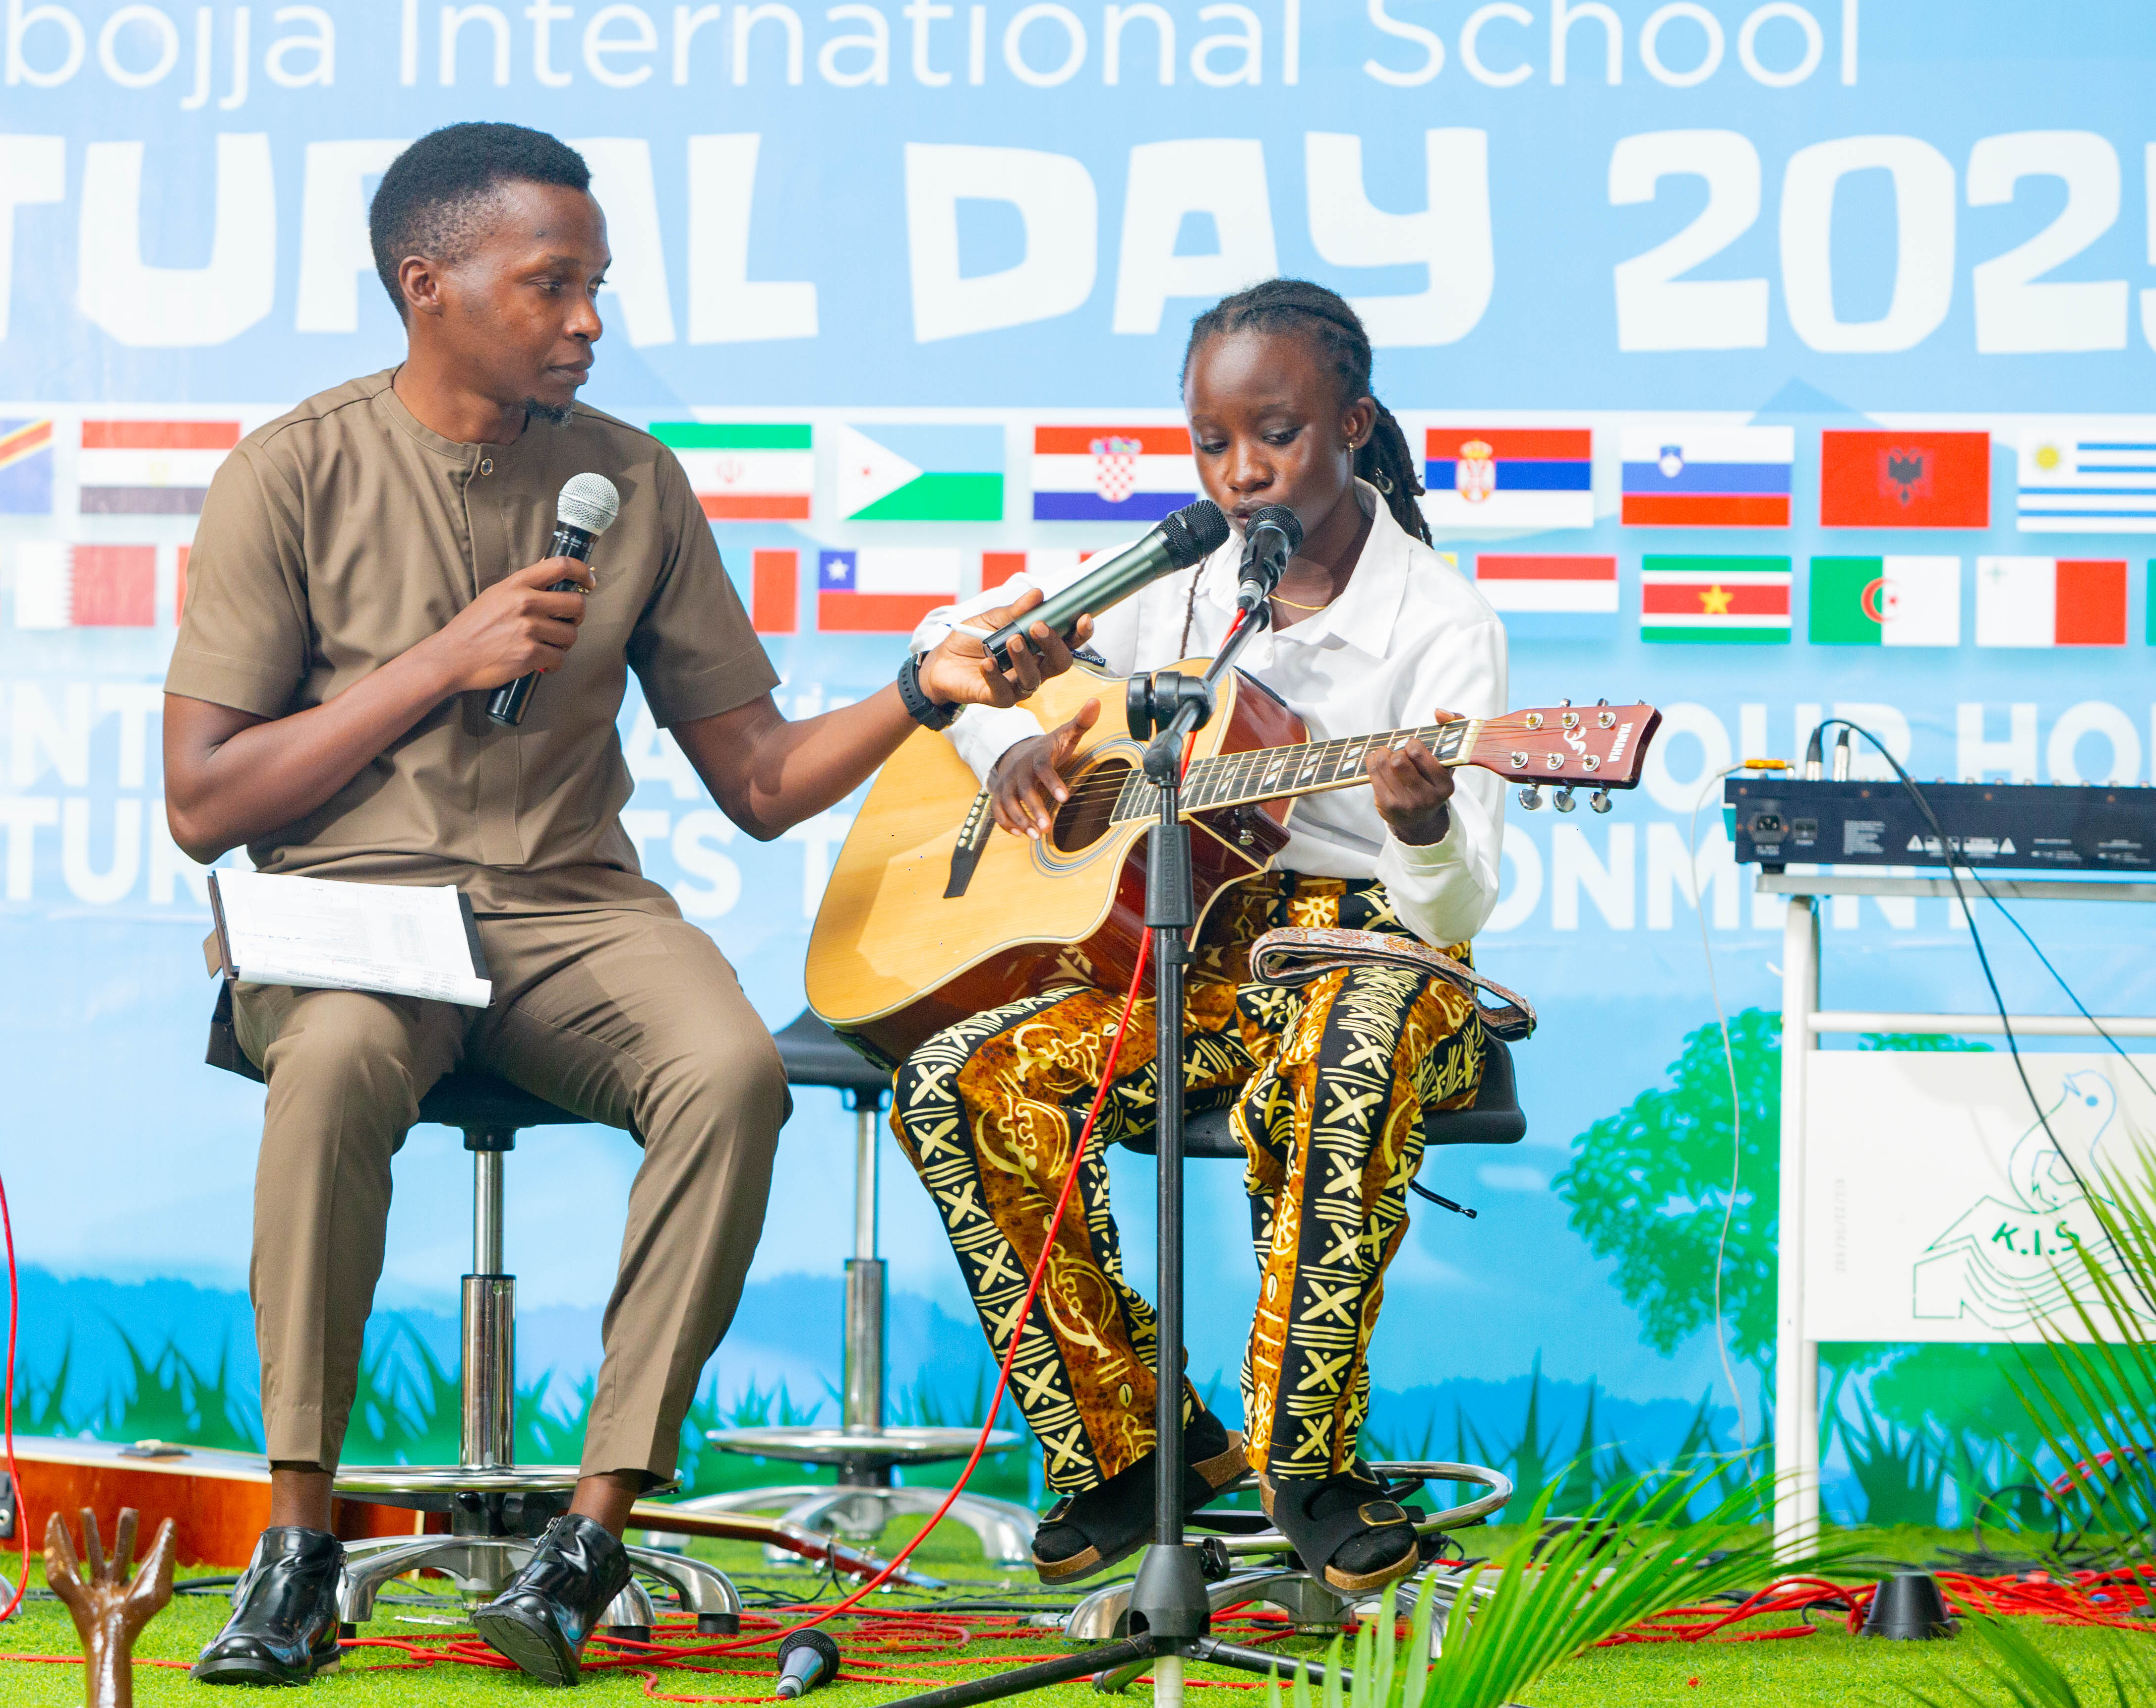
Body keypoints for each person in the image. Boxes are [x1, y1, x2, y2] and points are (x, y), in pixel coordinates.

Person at [160, 122, 1084, 1689]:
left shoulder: (634, 484)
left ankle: (586, 1539)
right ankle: (299, 1538)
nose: (588, 321)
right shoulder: (291, 471)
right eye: (552, 285)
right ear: (427, 284)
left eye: (597, 287)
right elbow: (204, 803)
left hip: (568, 911)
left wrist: (923, 693)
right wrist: (442, 663)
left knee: (728, 1071)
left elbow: (761, 780)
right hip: (350, 915)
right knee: (331, 1065)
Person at [888, 279, 1507, 1594]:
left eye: (1275, 435)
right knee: (955, 1080)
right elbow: (952, 645)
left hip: (1379, 955)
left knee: (1346, 1055)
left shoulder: (1439, 621)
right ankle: (1135, 1450)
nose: (1239, 474)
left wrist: (1421, 822)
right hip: (1192, 956)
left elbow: (1454, 913)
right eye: (1210, 443)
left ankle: (1308, 1467)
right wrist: (1006, 748)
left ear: (1353, 424)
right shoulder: (1178, 580)